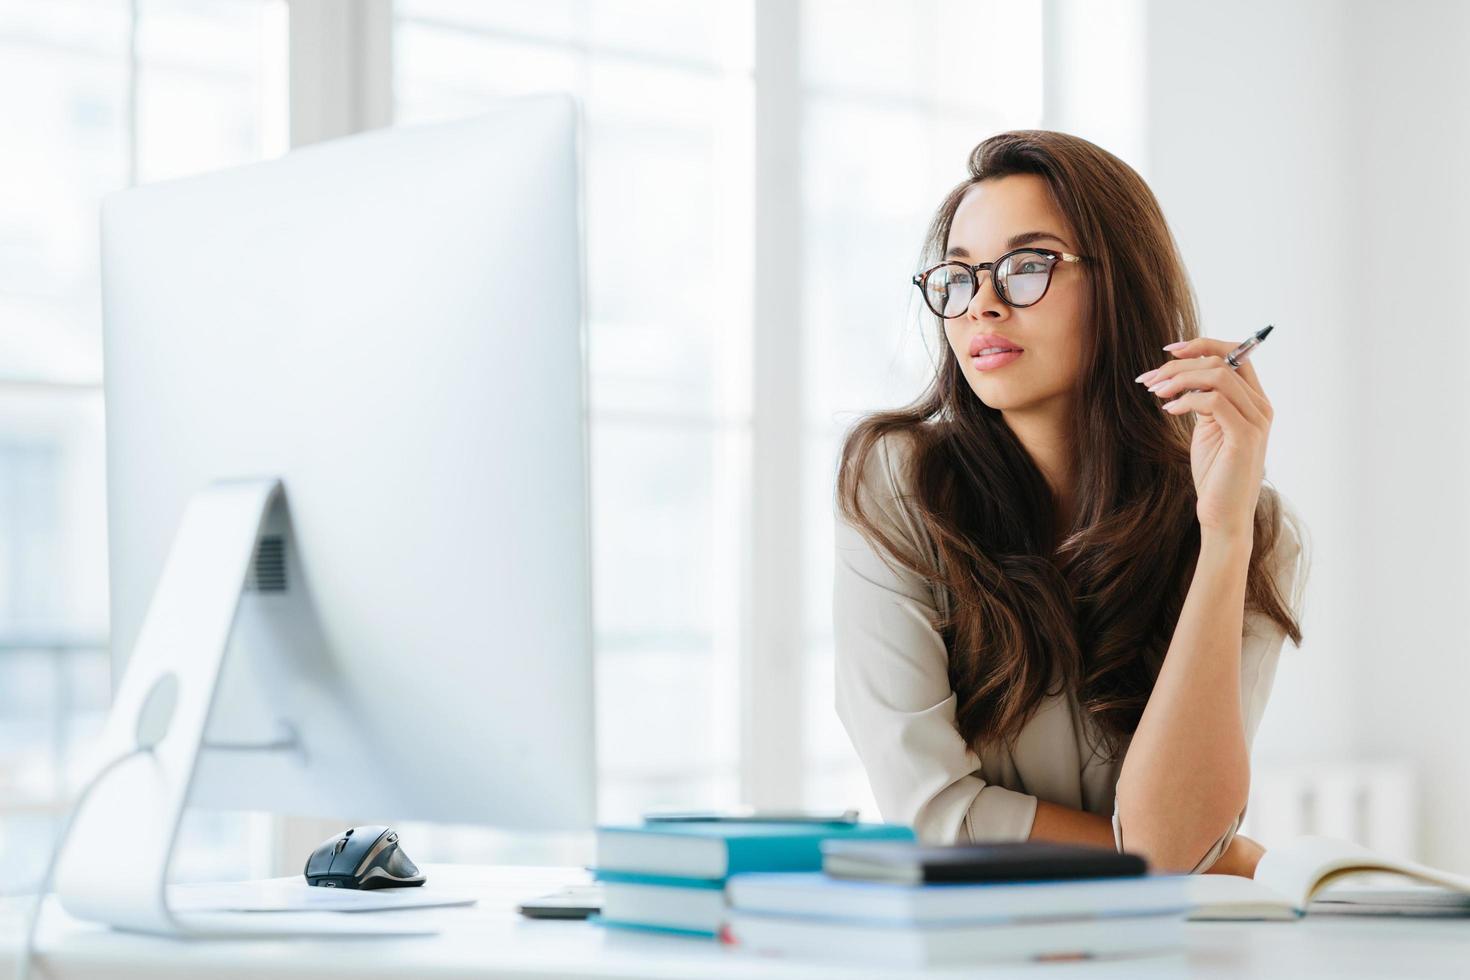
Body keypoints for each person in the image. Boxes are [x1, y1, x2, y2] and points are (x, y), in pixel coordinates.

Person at [833, 130, 1308, 877]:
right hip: (979, 949)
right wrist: (1193, 861)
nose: (982, 305)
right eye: (958, 278)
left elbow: (1182, 836)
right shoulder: (900, 485)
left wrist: (1222, 537)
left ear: (1121, 282)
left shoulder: (1255, 529)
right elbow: (935, 818)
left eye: (1027, 267)